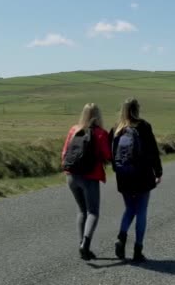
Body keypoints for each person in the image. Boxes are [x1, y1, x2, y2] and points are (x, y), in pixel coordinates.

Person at [111, 98, 163, 262]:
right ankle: (137, 249)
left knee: (129, 209)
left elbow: (112, 155)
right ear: (137, 109)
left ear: (123, 110)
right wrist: (158, 171)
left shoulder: (116, 128)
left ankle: (121, 237)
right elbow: (153, 151)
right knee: (141, 212)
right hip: (142, 175)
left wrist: (118, 170)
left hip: (123, 175)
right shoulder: (144, 126)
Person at [61, 103, 111, 260]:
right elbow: (108, 155)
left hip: (71, 175)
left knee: (81, 210)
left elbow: (64, 153)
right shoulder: (101, 133)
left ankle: (82, 245)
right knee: (93, 212)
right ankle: (85, 244)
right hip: (90, 176)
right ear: (98, 115)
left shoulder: (73, 130)